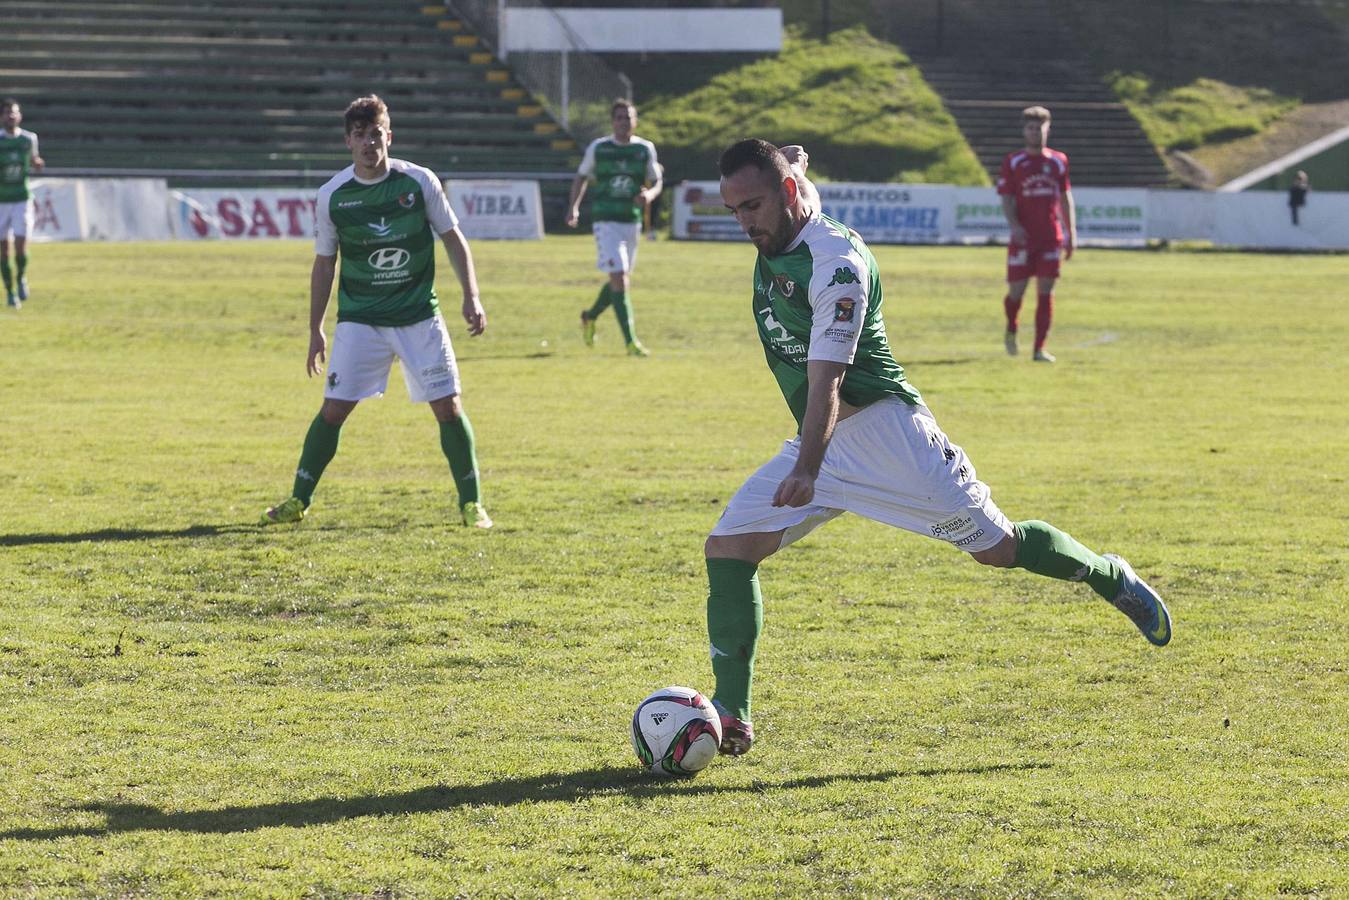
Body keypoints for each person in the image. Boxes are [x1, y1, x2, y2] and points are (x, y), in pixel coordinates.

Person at [705, 139, 1170, 757]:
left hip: (888, 438)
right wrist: (795, 163)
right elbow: (798, 185)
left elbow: (829, 379)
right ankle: (732, 715)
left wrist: (808, 468)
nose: (745, 222)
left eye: (754, 206)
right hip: (820, 436)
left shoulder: (836, 265)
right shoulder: (786, 214)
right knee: (729, 550)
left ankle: (1108, 574)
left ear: (786, 195)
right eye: (734, 209)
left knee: (998, 549)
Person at [261, 95, 493, 529]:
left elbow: (453, 238)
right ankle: (298, 500)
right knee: (333, 409)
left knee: (449, 407)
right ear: (348, 142)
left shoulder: (419, 182)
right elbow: (325, 263)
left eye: (376, 134)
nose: (369, 143)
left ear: (389, 135)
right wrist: (315, 328)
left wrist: (472, 295)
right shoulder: (333, 196)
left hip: (419, 316)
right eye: (360, 135)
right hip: (361, 321)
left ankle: (472, 504)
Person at [565, 99, 662, 356]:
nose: (623, 122)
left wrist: (650, 195)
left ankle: (590, 315)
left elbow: (656, 180)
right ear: (612, 122)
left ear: (635, 121)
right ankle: (631, 343)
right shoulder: (599, 148)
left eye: (627, 117)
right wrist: (574, 207)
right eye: (619, 117)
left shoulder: (644, 149)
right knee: (618, 278)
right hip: (605, 221)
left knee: (620, 280)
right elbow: (582, 176)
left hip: (632, 221)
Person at [998, 106, 1075, 363]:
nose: (1035, 132)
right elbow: (1007, 198)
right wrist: (1015, 226)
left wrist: (1070, 231)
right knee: (1016, 293)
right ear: (1024, 131)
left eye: (1039, 128)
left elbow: (1065, 197)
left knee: (1046, 292)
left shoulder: (1058, 161)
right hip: (1023, 239)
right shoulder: (1014, 161)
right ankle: (1012, 326)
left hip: (1050, 237)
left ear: (1047, 129)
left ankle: (1039, 348)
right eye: (1030, 128)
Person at [1, 98, 44, 310]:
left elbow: (35, 160)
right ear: (1, 117)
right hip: (1, 201)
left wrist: (37, 163)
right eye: (7, 112)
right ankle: (10, 292)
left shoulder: (28, 139)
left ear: (20, 116)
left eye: (14, 112)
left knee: (20, 243)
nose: (11, 116)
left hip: (21, 198)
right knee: (3, 249)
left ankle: (21, 278)